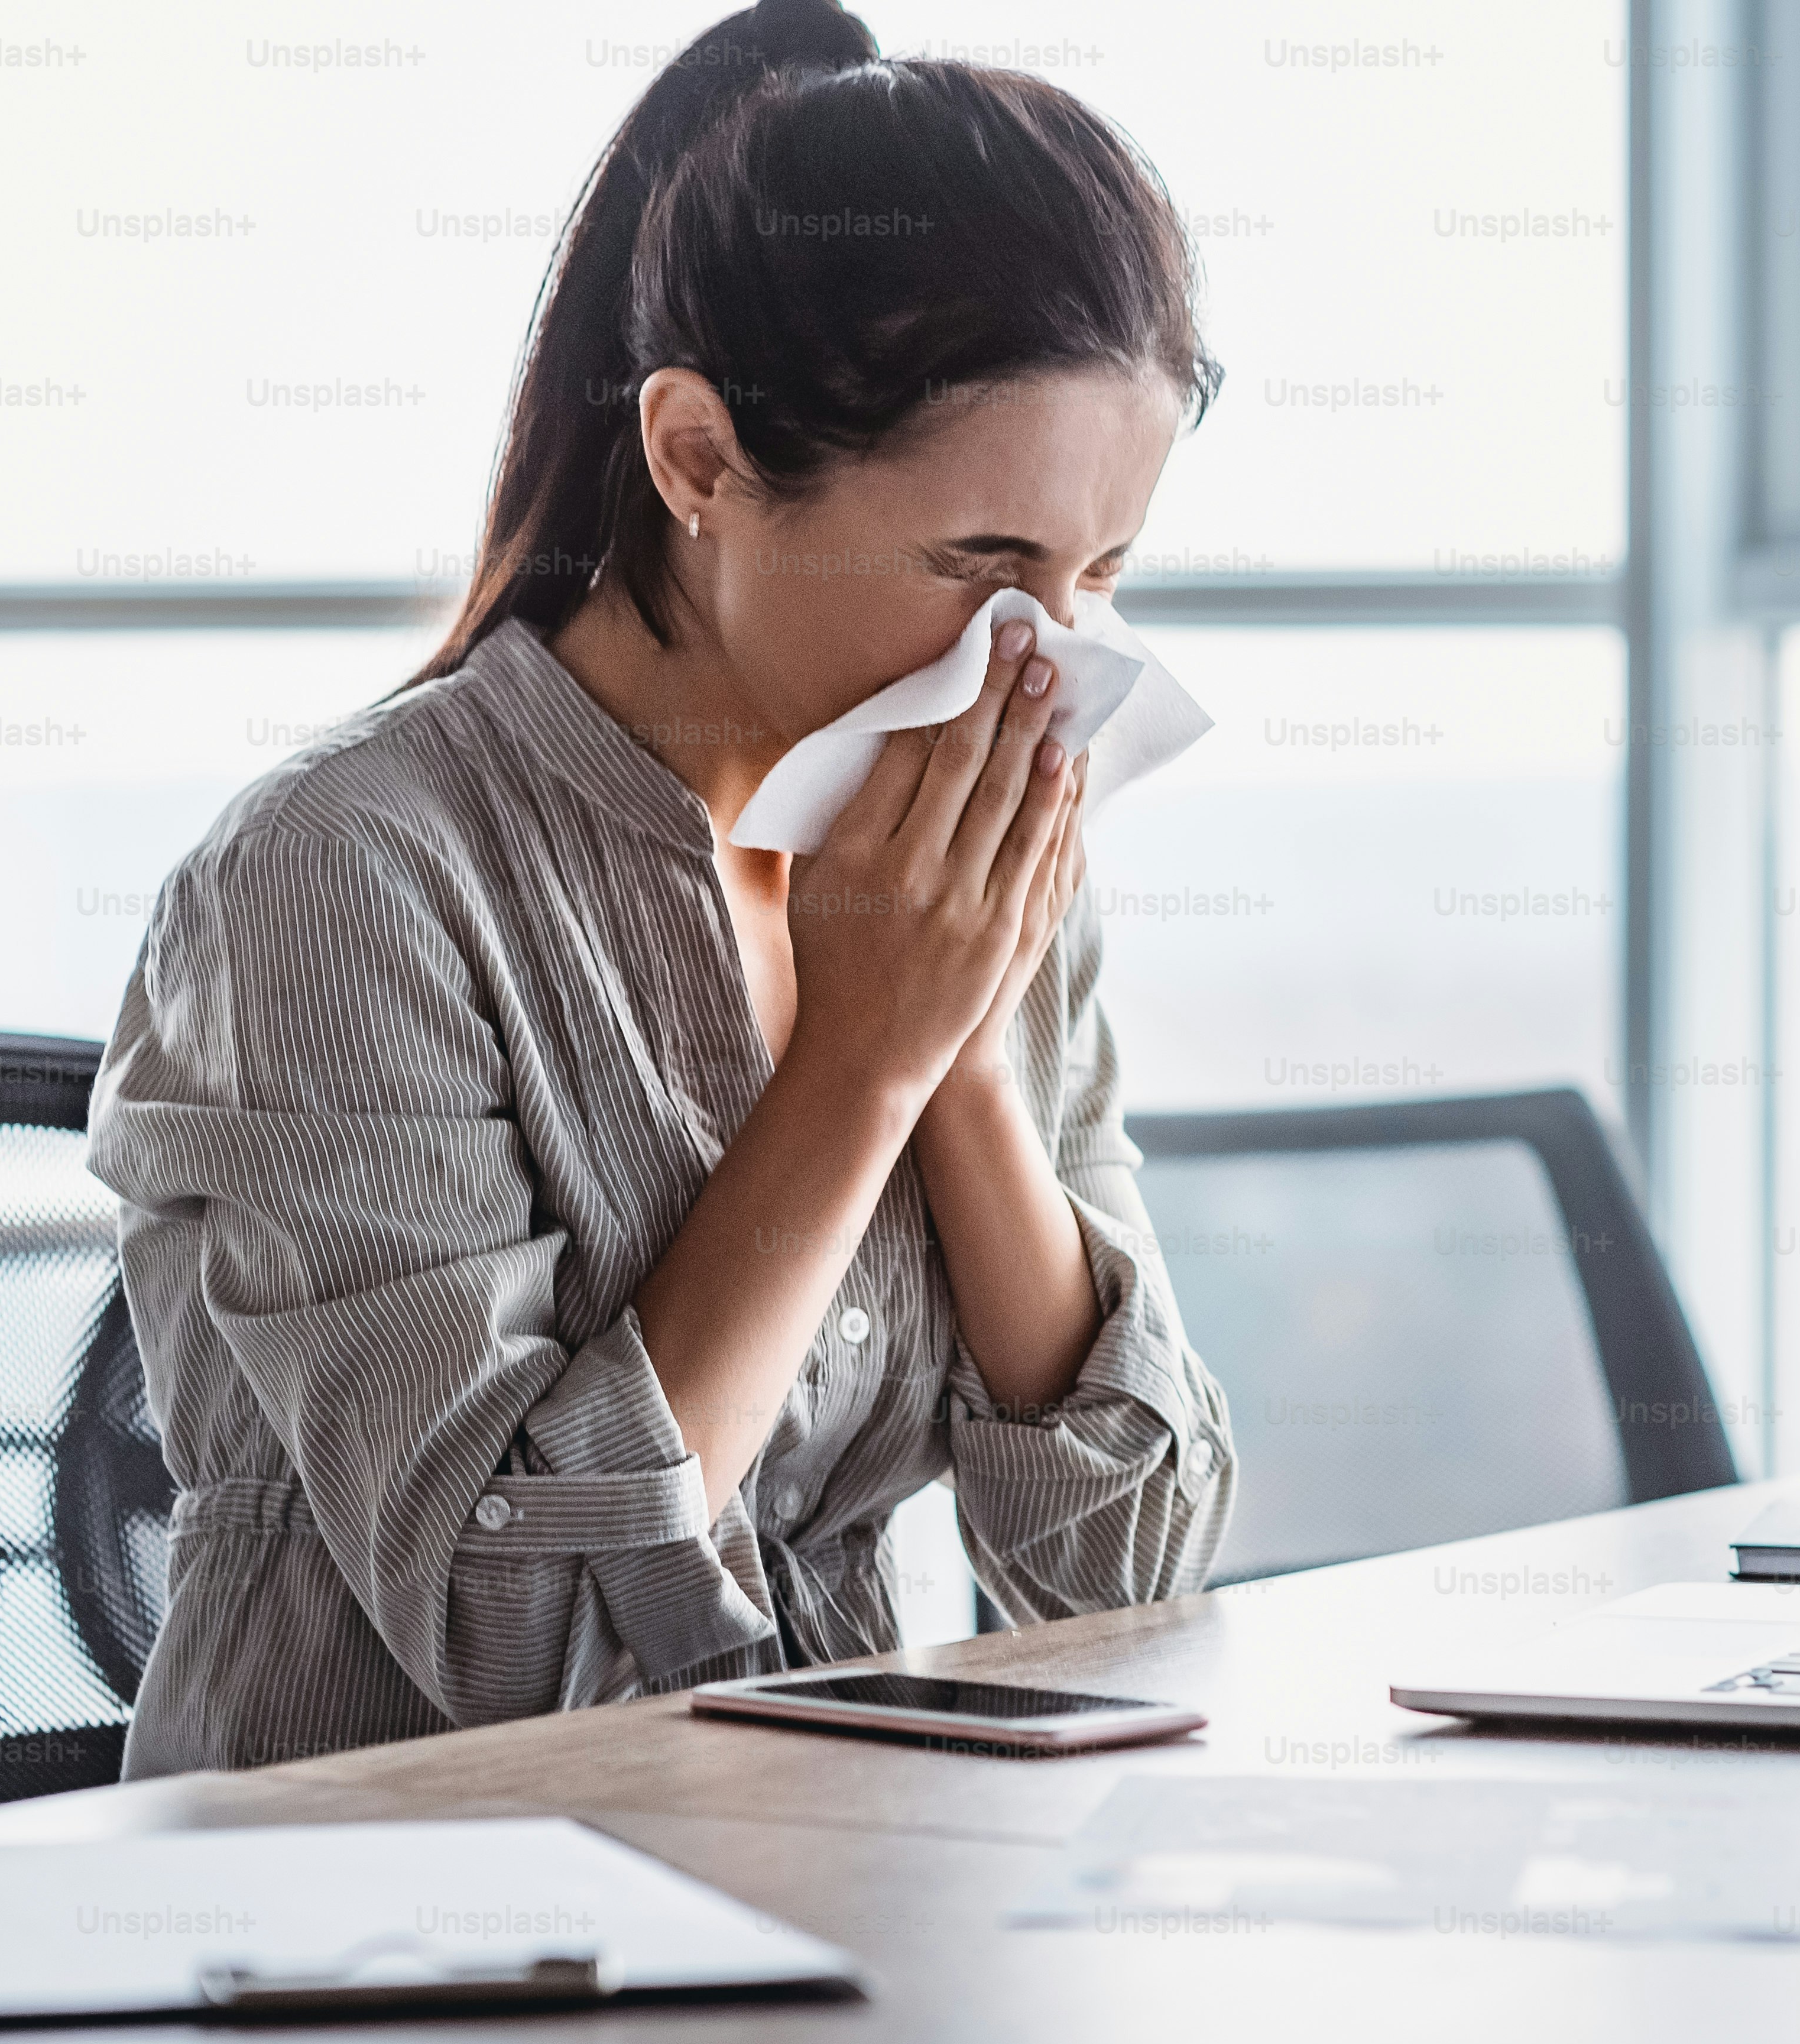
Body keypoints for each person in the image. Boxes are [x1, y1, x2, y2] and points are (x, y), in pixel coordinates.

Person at [86, 0, 1236, 1777]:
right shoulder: (341, 883)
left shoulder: (966, 860)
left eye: (1099, 573)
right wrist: (859, 1068)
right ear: (697, 457)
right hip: (380, 1944)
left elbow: (1131, 1573)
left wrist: (963, 1058)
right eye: (978, 564)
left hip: (841, 1881)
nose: (1045, 661)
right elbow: (526, 1648)